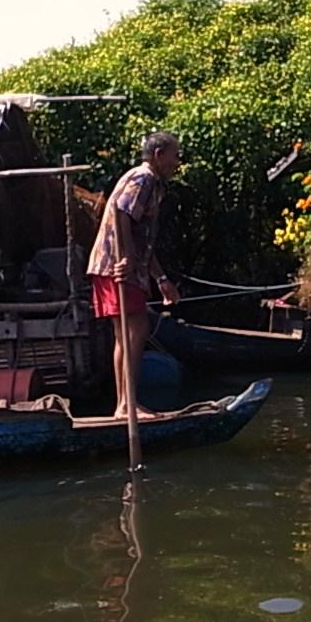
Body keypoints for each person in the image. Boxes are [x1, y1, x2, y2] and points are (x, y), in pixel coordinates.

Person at [86, 131, 182, 418]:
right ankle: (126, 405)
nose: (177, 162)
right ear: (159, 155)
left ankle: (124, 405)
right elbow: (120, 211)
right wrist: (126, 256)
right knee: (134, 331)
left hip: (120, 266)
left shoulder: (152, 184)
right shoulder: (144, 178)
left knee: (128, 334)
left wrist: (161, 279)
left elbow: (145, 241)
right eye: (175, 156)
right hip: (116, 265)